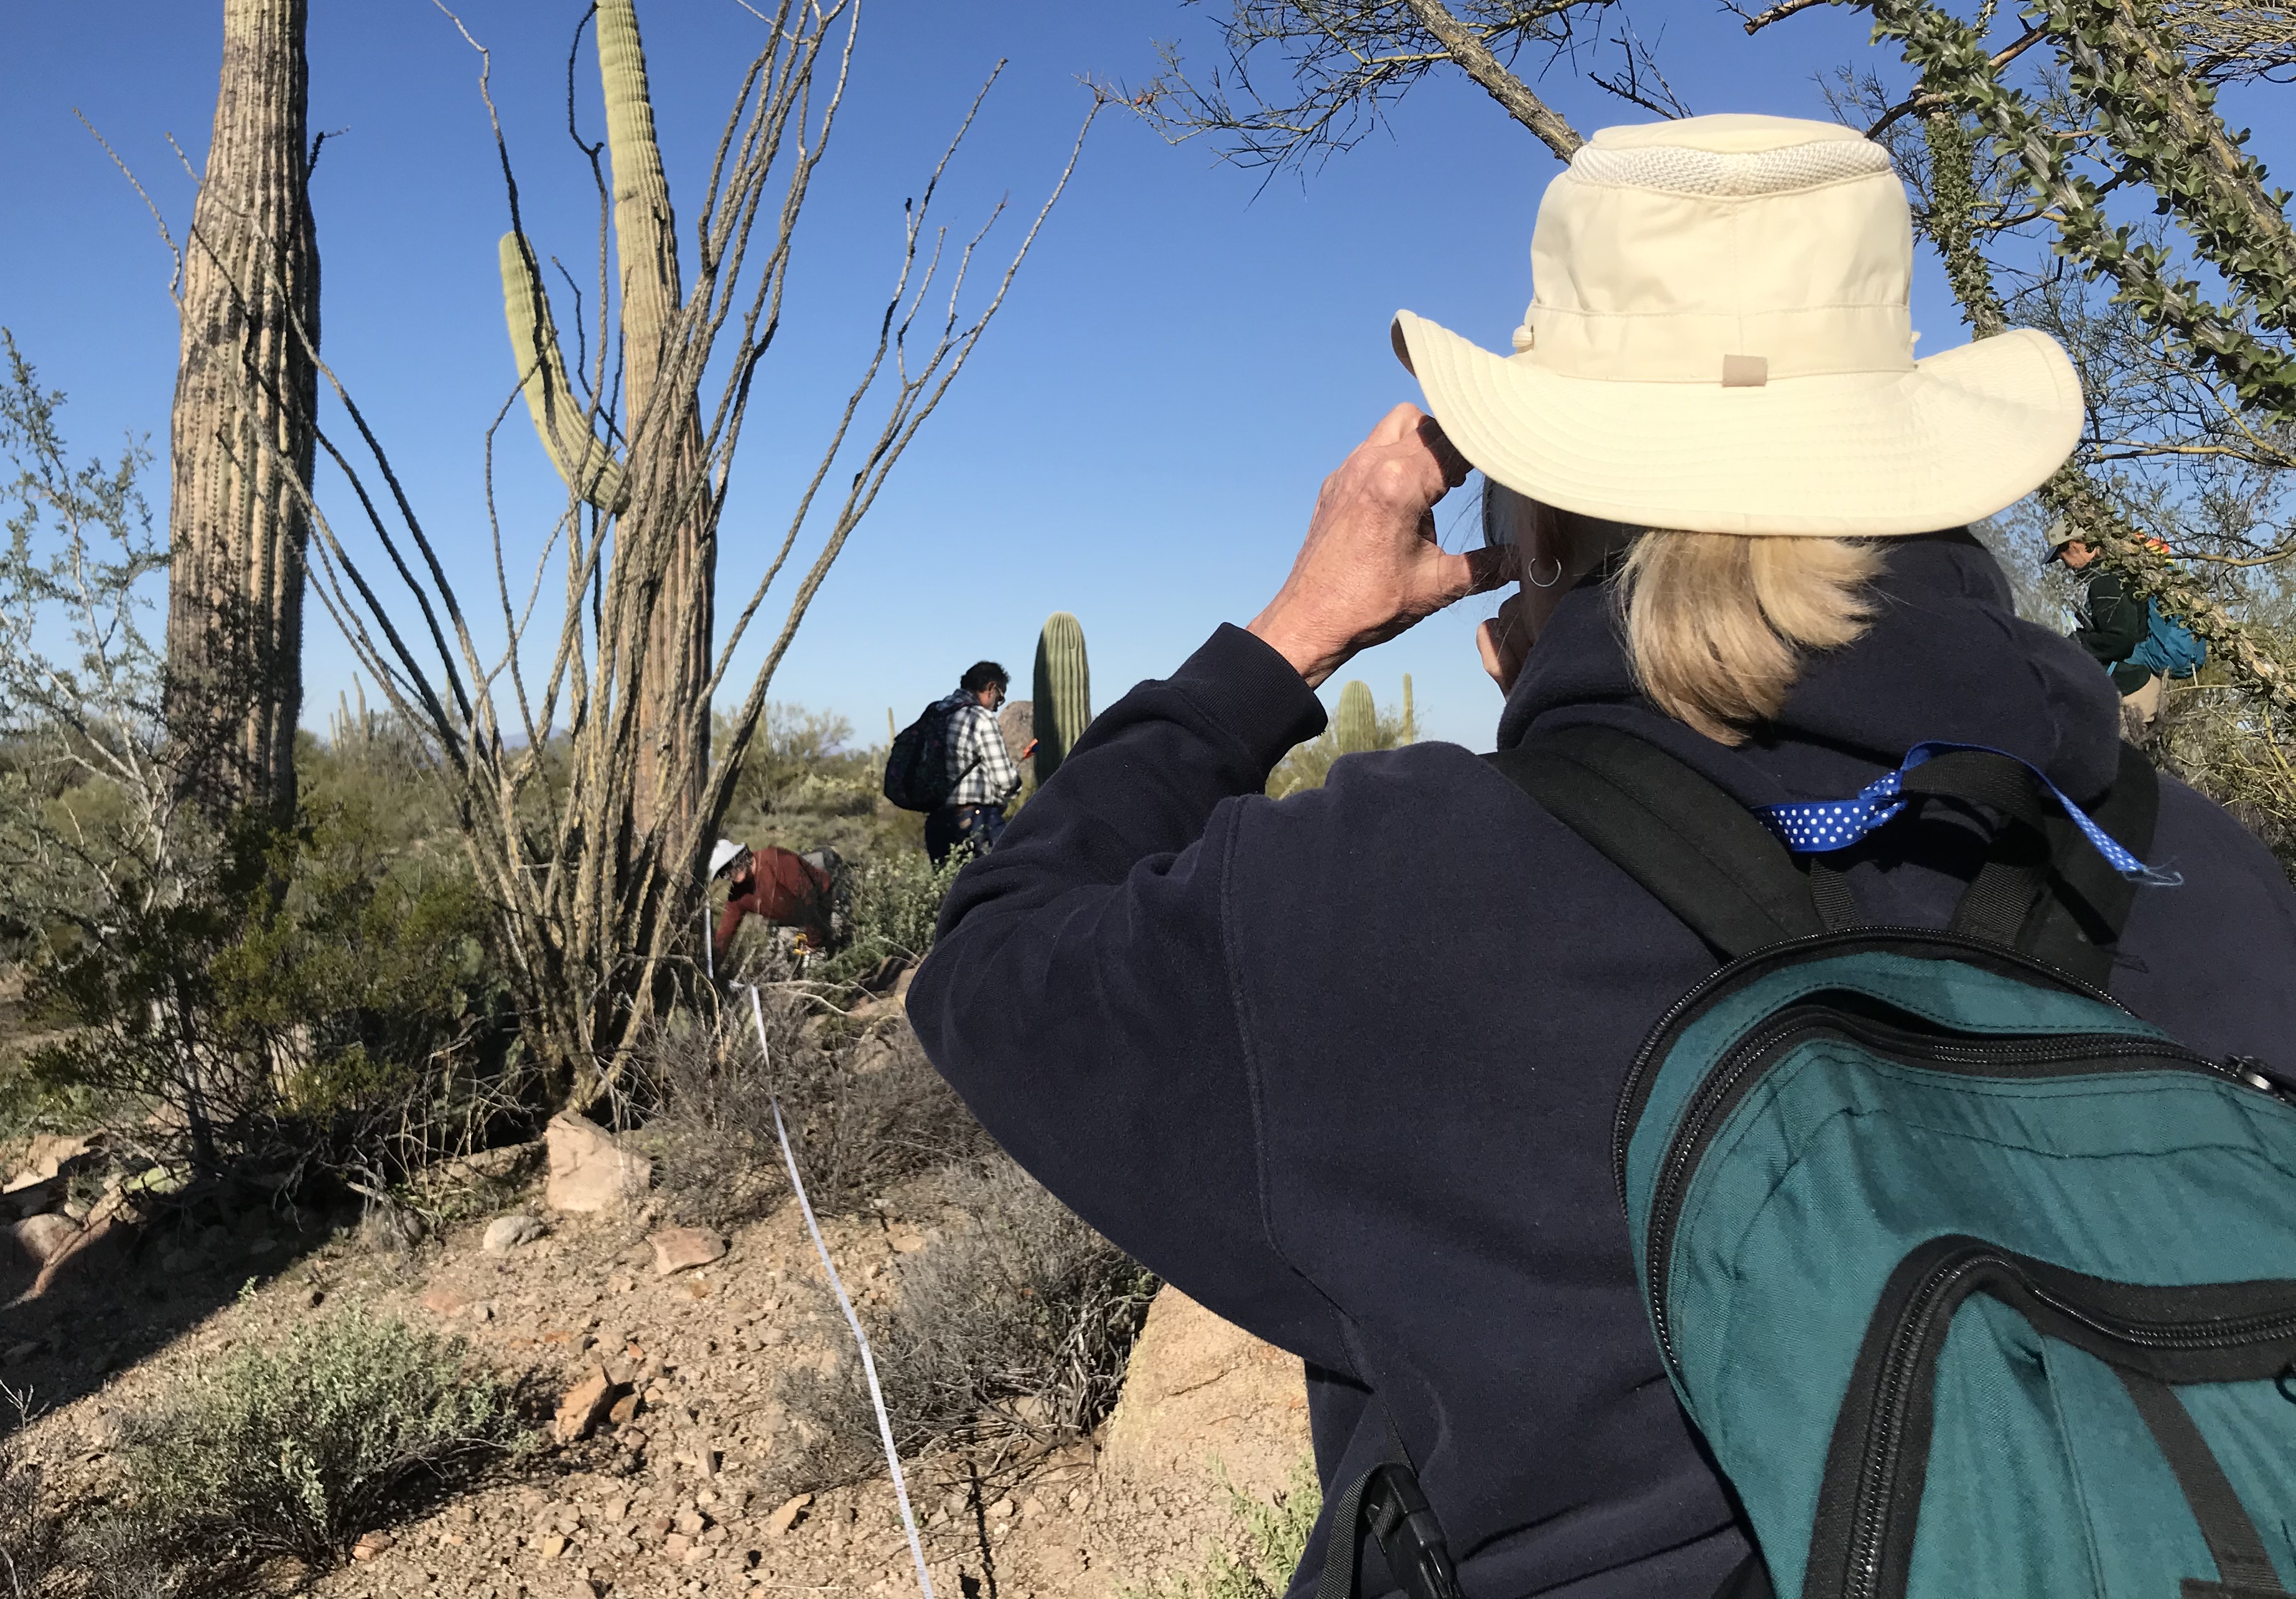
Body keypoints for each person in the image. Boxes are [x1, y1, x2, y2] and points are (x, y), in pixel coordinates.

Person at [907, 116, 2296, 1598]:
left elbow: (993, 962)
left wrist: (1295, 634)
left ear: (1539, 520)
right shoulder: (2198, 870)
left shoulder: (1392, 894)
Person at [2046, 523, 2169, 739]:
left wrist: (2076, 643)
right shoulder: (2119, 571)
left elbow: (2121, 639)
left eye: (2062, 554)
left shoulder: (2105, 581)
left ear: (2076, 545)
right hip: (2145, 684)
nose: (2065, 564)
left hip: (2133, 689)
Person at [925, 660, 1029, 865]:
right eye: (1000, 698)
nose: (998, 707)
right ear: (991, 689)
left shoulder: (934, 712)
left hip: (936, 822)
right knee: (999, 880)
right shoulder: (980, 717)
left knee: (949, 888)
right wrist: (1015, 787)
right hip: (976, 820)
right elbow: (1005, 779)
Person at [708, 837, 833, 964]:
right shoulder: (737, 895)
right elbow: (725, 933)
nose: (731, 871)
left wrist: (813, 942)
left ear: (742, 854)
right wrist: (713, 965)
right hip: (796, 922)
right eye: (724, 871)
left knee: (820, 962)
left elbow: (808, 899)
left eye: (733, 863)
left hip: (826, 904)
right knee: (777, 961)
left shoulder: (777, 860)